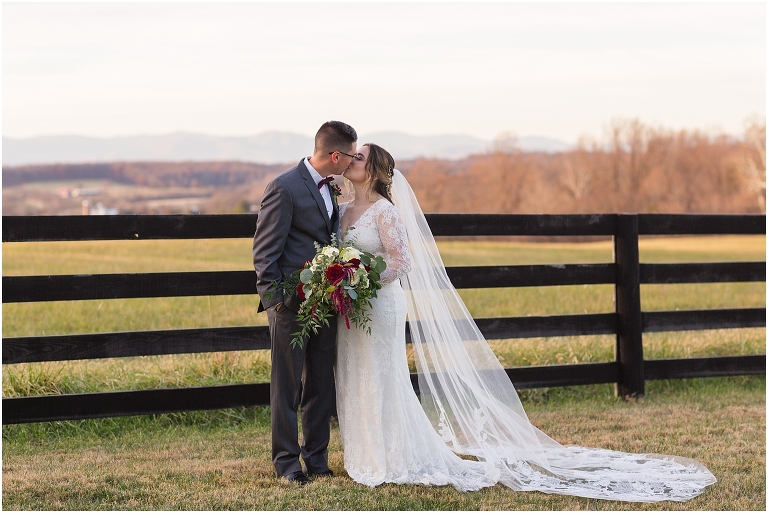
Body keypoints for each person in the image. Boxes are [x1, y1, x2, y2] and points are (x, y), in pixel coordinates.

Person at [334, 143, 717, 501]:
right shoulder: (342, 208)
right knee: (354, 372)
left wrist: (361, 279)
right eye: (352, 155)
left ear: (375, 170)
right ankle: (364, 450)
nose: (351, 159)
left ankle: (394, 453)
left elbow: (402, 262)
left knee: (384, 375)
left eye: (360, 157)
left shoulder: (385, 210)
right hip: (350, 307)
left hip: (378, 303)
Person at [252, 120, 358, 485]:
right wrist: (277, 302)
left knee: (320, 384)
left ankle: (316, 459)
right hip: (290, 306)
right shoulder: (283, 187)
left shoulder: (332, 188)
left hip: (326, 301)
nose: (352, 162)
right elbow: (264, 253)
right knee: (287, 387)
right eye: (350, 156)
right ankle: (286, 463)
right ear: (334, 155)